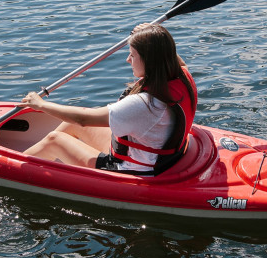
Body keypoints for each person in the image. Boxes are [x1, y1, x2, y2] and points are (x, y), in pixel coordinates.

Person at [16, 23, 197, 175]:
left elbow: (84, 119)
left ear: (150, 60)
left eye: (132, 55)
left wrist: (40, 105)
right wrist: (153, 35)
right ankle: (43, 162)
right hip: (162, 157)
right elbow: (174, 60)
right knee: (68, 124)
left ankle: (13, 169)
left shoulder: (145, 104)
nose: (127, 60)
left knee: (54, 140)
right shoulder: (183, 77)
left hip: (133, 168)